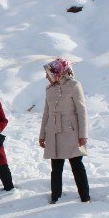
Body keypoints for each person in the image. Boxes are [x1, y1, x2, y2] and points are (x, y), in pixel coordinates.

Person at [38, 58, 90, 203]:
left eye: (48, 73)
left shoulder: (74, 85)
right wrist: (42, 135)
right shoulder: (49, 89)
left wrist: (83, 135)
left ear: (57, 71)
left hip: (71, 132)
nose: (46, 76)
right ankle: (55, 197)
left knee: (77, 165)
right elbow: (46, 113)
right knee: (56, 167)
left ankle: (85, 198)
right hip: (53, 132)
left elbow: (82, 110)